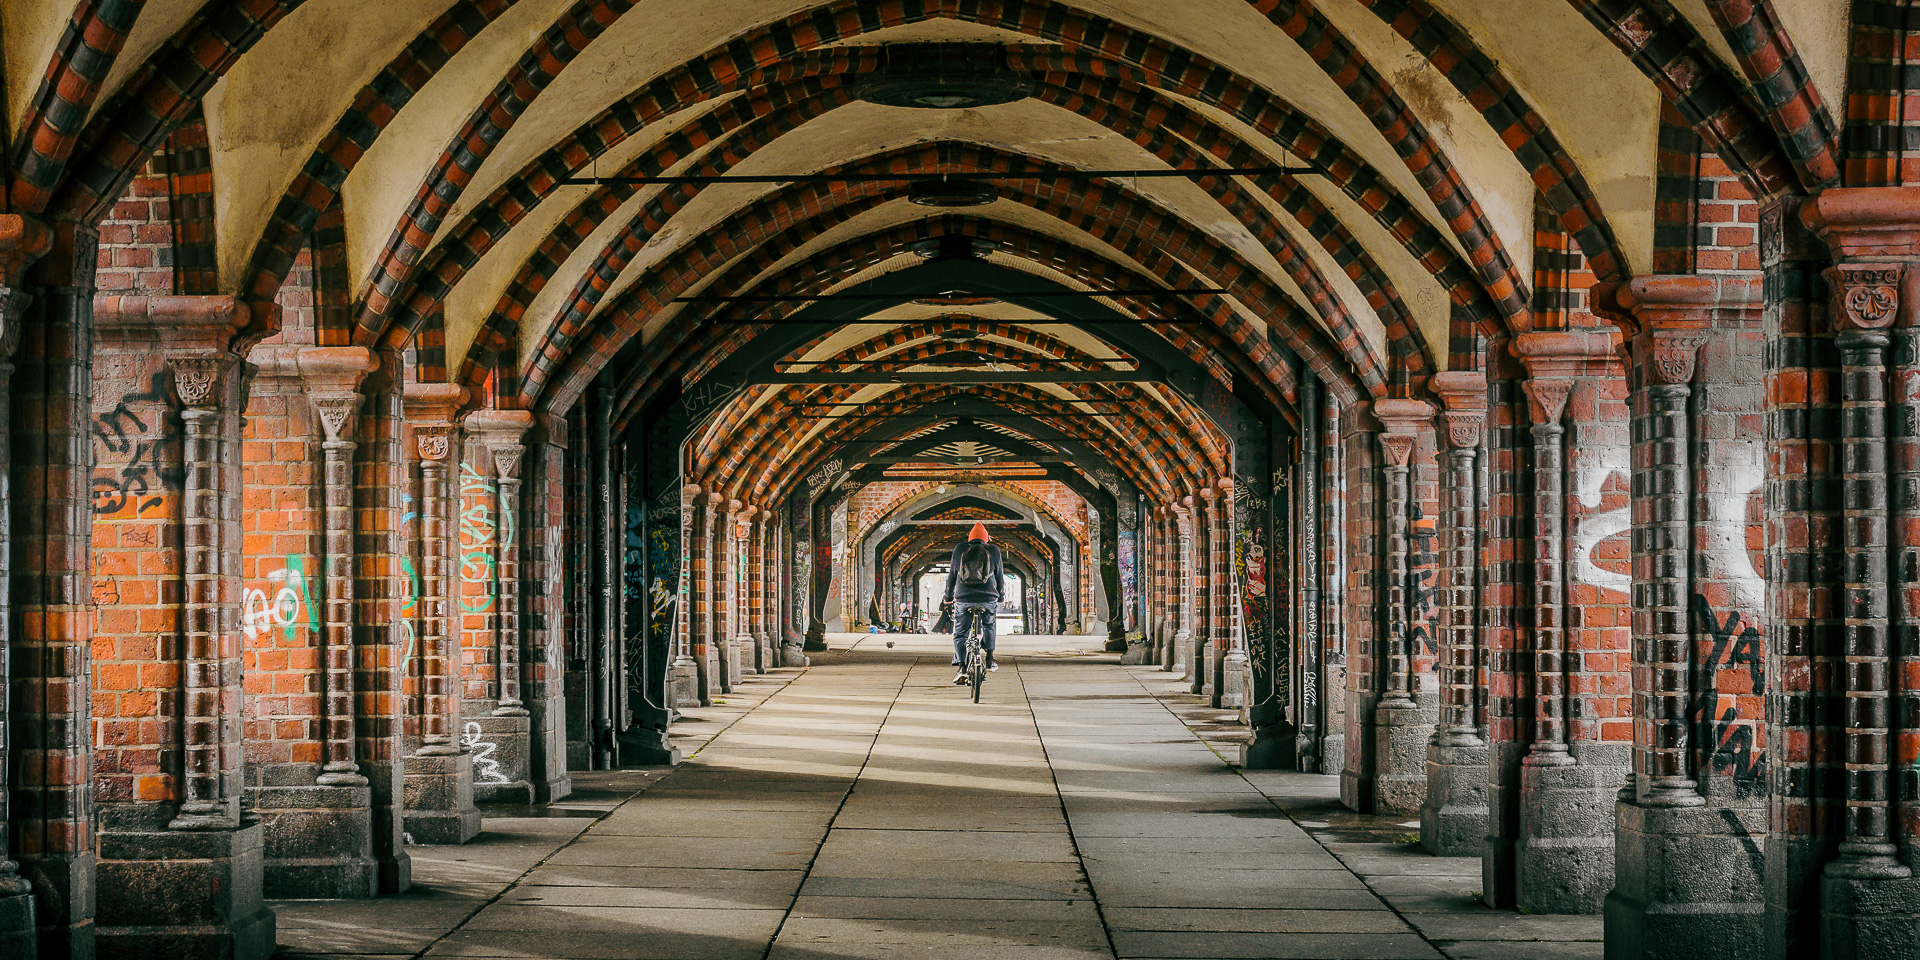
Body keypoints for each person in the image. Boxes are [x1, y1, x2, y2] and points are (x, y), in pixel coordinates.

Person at [943, 522, 1004, 685]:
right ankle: (990, 659)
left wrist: (948, 596)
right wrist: (1001, 596)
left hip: (964, 598)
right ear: (986, 539)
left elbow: (952, 576)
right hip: (988, 597)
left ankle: (962, 668)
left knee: (960, 634)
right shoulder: (994, 550)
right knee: (989, 626)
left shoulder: (960, 549)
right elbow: (999, 576)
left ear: (970, 538)